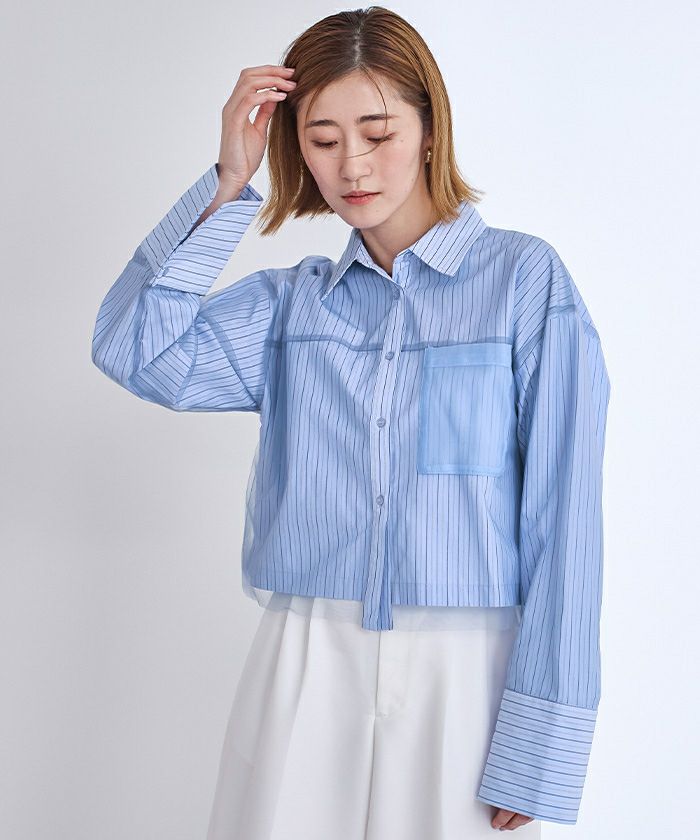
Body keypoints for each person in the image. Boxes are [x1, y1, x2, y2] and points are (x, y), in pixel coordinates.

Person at [91, 7, 610, 838]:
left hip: (467, 671)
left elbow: (565, 519)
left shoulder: (525, 283)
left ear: (430, 130)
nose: (353, 165)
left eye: (378, 132)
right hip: (305, 657)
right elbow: (131, 350)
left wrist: (541, 739)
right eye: (322, 139)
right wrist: (228, 181)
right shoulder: (289, 307)